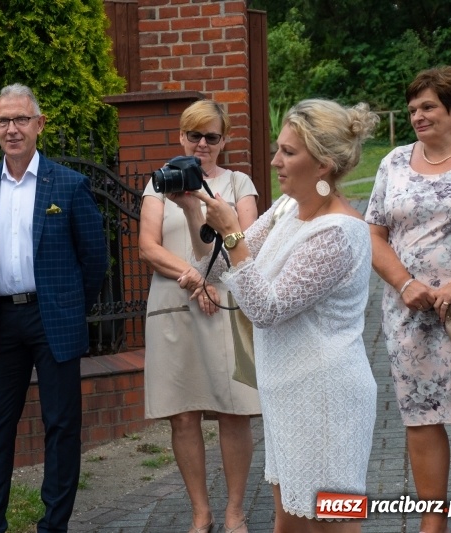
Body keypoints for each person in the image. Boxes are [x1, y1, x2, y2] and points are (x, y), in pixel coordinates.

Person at [181, 99, 379, 532]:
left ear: (323, 164)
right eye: (279, 148)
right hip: (287, 396)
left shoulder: (339, 233)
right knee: (286, 521)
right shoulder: (287, 208)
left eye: (289, 152)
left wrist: (232, 232)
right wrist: (194, 211)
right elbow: (217, 265)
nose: (275, 161)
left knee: (335, 524)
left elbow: (266, 309)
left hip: (328, 398)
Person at [0, 83, 108, 533]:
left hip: (54, 320)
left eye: (22, 119)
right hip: (2, 320)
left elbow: (95, 259)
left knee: (61, 425)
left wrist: (66, 305)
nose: (12, 129)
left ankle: (54, 526)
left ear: (39, 125)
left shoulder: (69, 183)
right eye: (3, 121)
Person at [365, 65, 451, 533]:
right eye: (413, 108)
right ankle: (432, 524)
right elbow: (373, 233)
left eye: (428, 106)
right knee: (421, 418)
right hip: (409, 316)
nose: (418, 115)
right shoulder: (393, 162)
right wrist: (406, 284)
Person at [139, 99, 261, 533]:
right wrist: (194, 278)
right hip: (175, 303)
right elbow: (149, 247)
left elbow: (246, 244)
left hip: (225, 304)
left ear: (224, 140)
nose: (202, 144)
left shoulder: (239, 183)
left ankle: (234, 512)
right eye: (195, 135)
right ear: (180, 136)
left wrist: (210, 280)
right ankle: (200, 512)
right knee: (183, 412)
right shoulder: (160, 183)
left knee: (234, 410)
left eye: (212, 136)